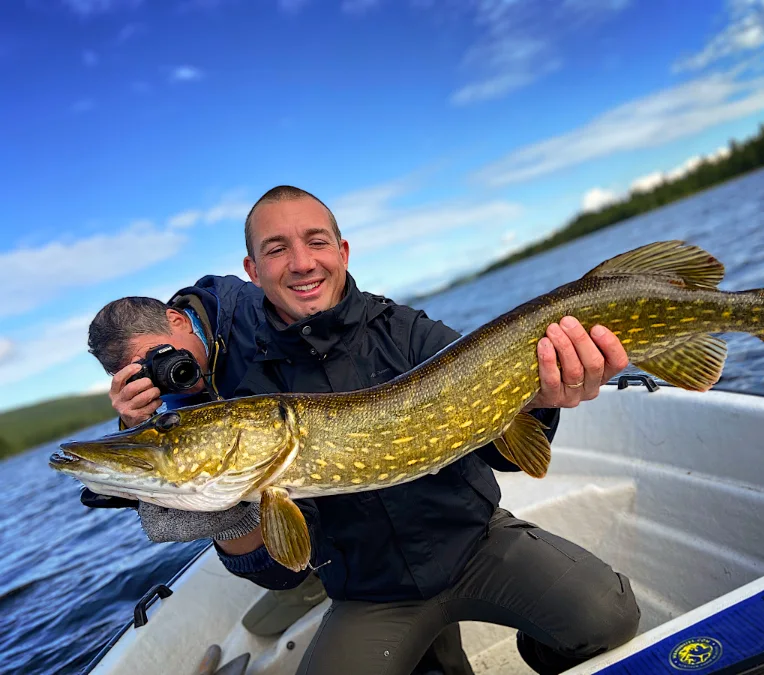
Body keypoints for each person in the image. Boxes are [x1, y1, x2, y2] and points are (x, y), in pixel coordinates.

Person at [90, 185, 641, 674]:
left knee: (609, 616)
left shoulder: (405, 331)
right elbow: (281, 575)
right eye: (277, 250)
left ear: (343, 251)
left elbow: (507, 455)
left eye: (316, 241)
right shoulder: (246, 387)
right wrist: (158, 444)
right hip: (371, 592)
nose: (302, 262)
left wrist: (541, 399)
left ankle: (538, 655)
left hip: (475, 543)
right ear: (252, 271)